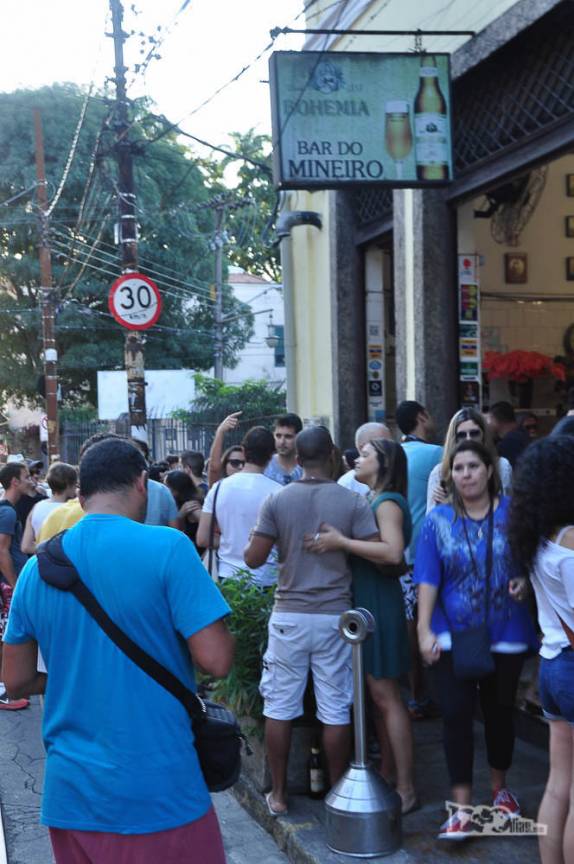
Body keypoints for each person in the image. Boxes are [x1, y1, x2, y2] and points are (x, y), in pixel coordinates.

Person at [2, 438, 234, 863]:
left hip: (71, 797)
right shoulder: (169, 548)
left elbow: (14, 680)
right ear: (142, 483)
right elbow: (217, 660)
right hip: (159, 790)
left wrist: (76, 675)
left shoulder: (37, 569)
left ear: (81, 494)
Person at [244, 426, 379, 816]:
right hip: (336, 616)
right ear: (333, 455)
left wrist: (263, 536)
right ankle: (337, 795)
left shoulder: (277, 498)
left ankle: (279, 794)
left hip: (289, 614)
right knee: (335, 708)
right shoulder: (352, 501)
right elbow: (374, 549)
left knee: (280, 706)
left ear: (297, 459)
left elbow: (253, 558)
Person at [415, 439, 537, 840]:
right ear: (450, 475)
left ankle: (500, 790)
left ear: (489, 471)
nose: (466, 474)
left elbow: (534, 561)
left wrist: (525, 581)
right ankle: (462, 808)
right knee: (455, 715)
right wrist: (423, 629)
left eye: (473, 466)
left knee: (499, 713)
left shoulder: (514, 514)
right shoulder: (437, 521)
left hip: (506, 632)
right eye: (458, 468)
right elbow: (427, 578)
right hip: (453, 634)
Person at [306, 438, 417, 813]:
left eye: (367, 454)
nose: (357, 458)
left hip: (378, 603)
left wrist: (342, 542)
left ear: (384, 464)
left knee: (387, 697)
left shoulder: (386, 502)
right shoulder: (374, 498)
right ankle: (389, 773)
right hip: (369, 599)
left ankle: (406, 786)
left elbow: (392, 551)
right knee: (378, 697)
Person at [507, 436, 574, 864]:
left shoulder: (537, 538)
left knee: (557, 784)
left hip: (551, 667)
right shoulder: (570, 539)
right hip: (571, 666)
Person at [396, 400, 443, 719]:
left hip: (399, 554)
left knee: (411, 627)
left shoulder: (394, 454)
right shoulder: (437, 454)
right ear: (422, 417)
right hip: (429, 553)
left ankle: (417, 696)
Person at [197, 427, 280, 587]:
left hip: (228, 576)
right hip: (266, 579)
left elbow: (203, 538)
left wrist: (229, 541)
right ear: (271, 455)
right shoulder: (278, 492)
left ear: (243, 450)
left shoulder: (218, 488)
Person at [426, 407, 512, 511]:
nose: (468, 439)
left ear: (484, 435)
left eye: (474, 433)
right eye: (461, 435)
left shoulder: (501, 466)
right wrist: (444, 508)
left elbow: (507, 512)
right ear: (454, 439)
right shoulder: (439, 473)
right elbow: (432, 517)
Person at [0, 462, 34, 710]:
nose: (30, 480)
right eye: (26, 476)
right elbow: (2, 551)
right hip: (7, 585)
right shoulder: (8, 513)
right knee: (5, 636)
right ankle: (3, 690)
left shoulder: (8, 510)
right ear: (14, 481)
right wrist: (14, 584)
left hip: (7, 584)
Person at [21, 462, 78, 555]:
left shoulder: (37, 507)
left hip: (42, 560)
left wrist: (45, 550)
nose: (76, 487)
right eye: (75, 484)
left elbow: (25, 547)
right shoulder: (75, 510)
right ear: (69, 485)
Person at [338, 422, 393, 494]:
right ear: (362, 448)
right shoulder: (347, 483)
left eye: (391, 443)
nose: (390, 448)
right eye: (382, 444)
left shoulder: (396, 476)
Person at [165, 469, 203, 551]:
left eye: (167, 487)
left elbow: (209, 525)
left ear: (176, 490)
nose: (164, 490)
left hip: (196, 551)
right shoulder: (178, 504)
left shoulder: (191, 506)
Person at [264, 413, 304, 486]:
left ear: (299, 437)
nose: (282, 442)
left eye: (288, 437)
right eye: (278, 436)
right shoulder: (265, 465)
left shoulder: (306, 467)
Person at [487, 401, 530, 468]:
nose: (488, 424)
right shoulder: (522, 434)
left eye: (490, 419)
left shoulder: (509, 443)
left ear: (495, 419)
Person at [207, 412, 243, 488]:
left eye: (244, 463)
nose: (241, 466)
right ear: (224, 465)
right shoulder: (219, 486)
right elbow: (214, 469)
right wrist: (220, 431)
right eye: (235, 462)